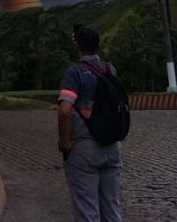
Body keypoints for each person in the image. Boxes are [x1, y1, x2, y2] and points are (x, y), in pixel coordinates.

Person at [57, 24, 122, 222]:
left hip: (84, 148)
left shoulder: (74, 73)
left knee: (87, 211)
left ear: (77, 45)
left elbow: (64, 110)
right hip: (112, 145)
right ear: (98, 45)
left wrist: (65, 142)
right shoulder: (110, 69)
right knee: (111, 208)